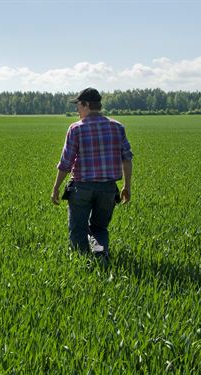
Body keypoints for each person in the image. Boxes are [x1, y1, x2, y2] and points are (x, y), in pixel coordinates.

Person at [51, 87, 133, 262]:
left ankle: (82, 263)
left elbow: (66, 162)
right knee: (98, 227)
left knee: (78, 228)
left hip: (81, 188)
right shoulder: (117, 127)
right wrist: (126, 186)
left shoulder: (76, 129)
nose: (77, 109)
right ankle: (100, 255)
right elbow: (127, 158)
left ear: (86, 105)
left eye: (78, 105)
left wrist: (56, 188)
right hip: (108, 189)